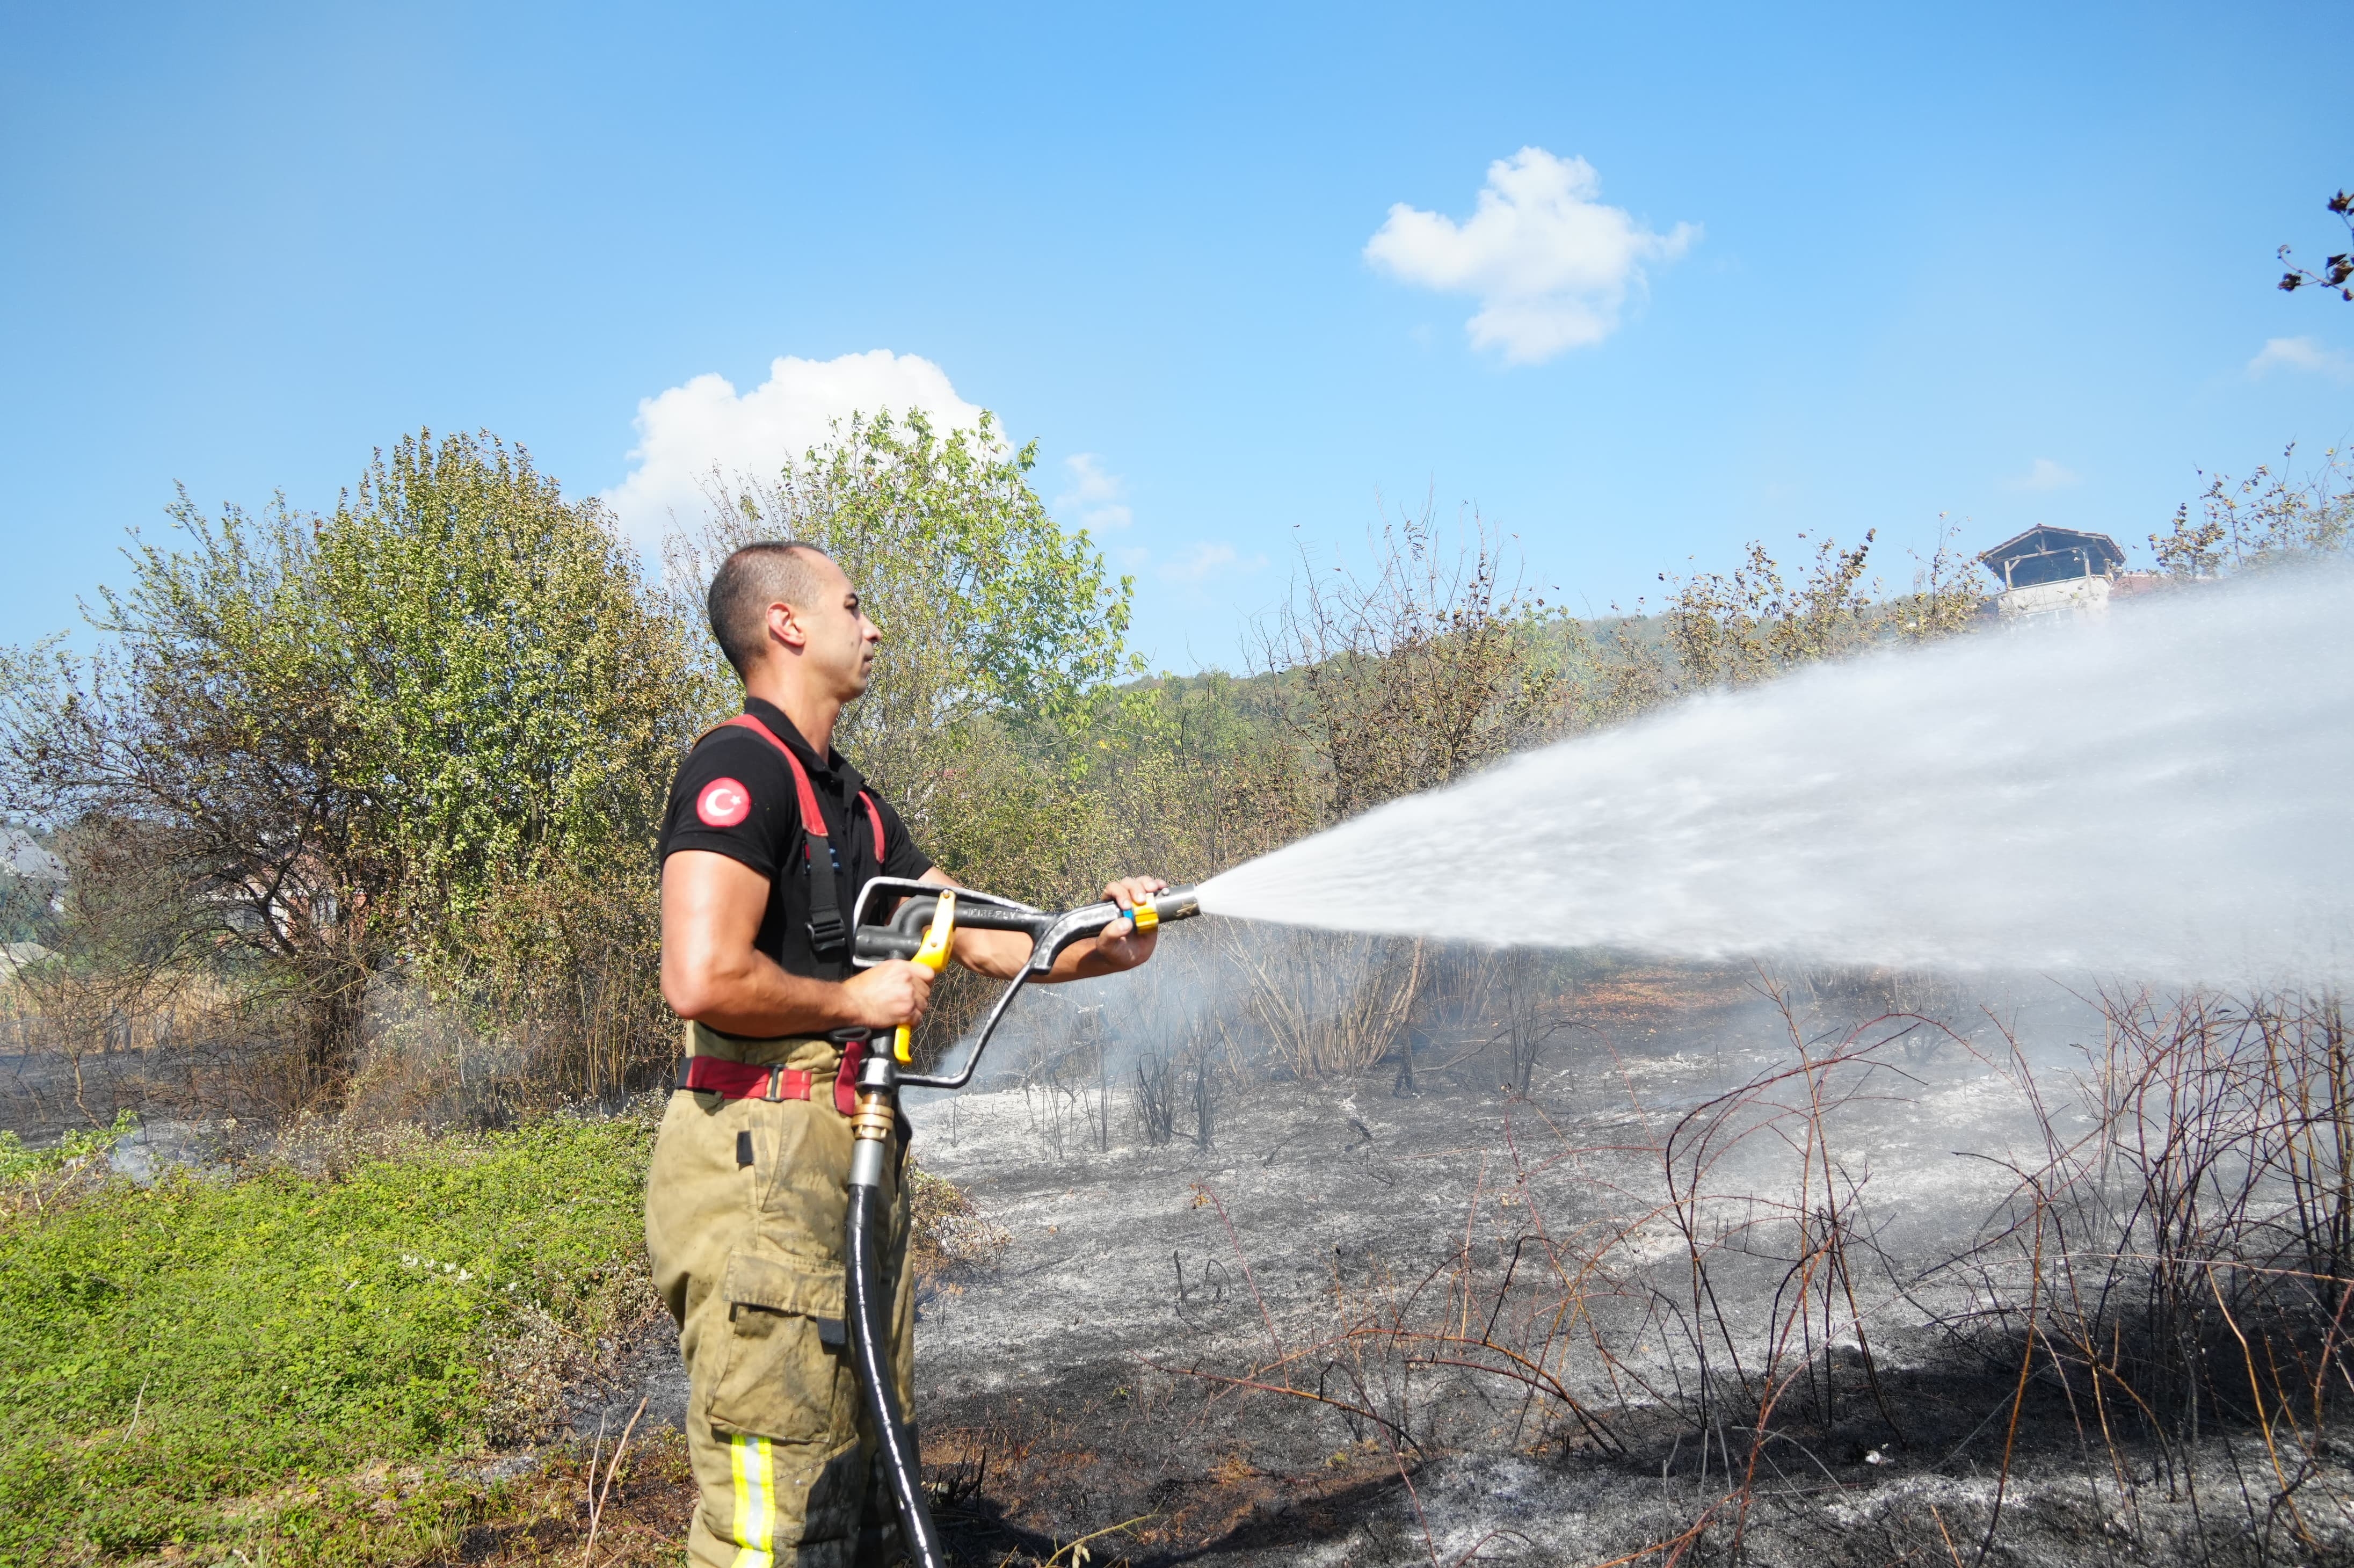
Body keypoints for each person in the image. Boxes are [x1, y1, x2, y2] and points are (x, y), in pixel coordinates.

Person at [649, 540, 1165, 1567]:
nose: (872, 625)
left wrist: (1112, 943)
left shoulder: (847, 797)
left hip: (843, 1151)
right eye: (852, 605)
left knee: (861, 1480)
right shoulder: (738, 765)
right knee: (775, 1509)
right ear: (788, 626)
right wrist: (852, 996)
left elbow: (981, 935)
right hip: (758, 1157)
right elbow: (699, 976)